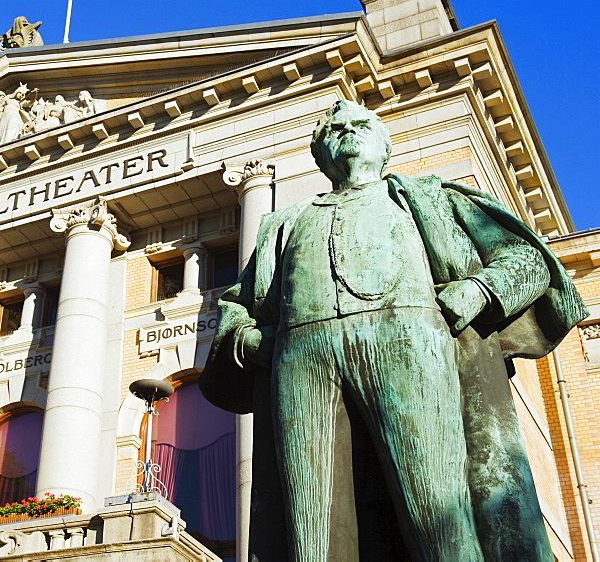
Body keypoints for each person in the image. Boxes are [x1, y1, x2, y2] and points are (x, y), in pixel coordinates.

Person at [200, 100, 586, 560]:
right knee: (311, 528)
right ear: (318, 156)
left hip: (412, 340)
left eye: (360, 125)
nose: (346, 131)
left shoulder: (429, 197)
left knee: (438, 511)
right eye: (334, 129)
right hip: (302, 358)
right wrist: (243, 338)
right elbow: (237, 305)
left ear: (385, 147)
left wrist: (479, 290)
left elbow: (528, 260)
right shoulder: (282, 224)